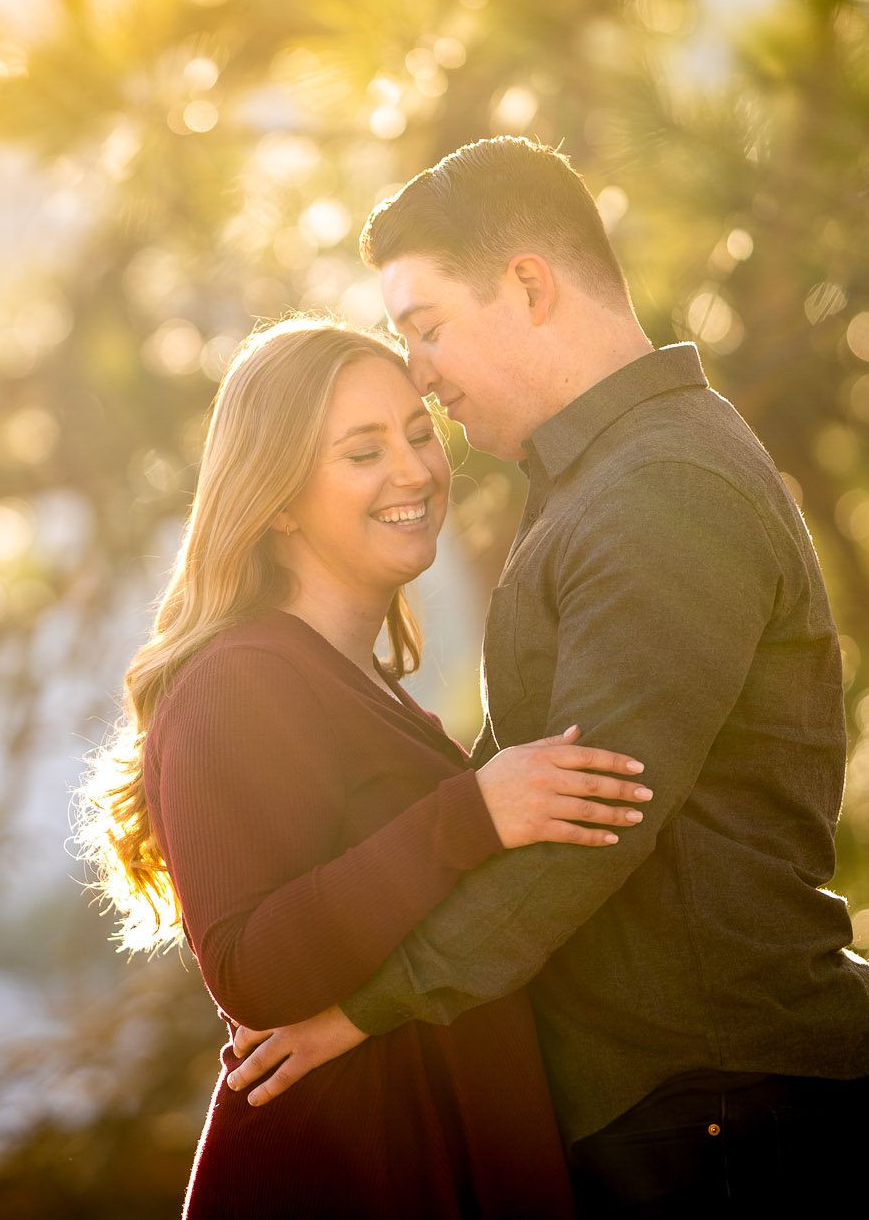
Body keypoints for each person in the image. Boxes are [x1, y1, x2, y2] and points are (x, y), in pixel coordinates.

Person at [224, 139, 869, 1218]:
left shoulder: (662, 490)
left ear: (529, 286)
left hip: (720, 1110)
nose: (422, 371)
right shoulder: (607, 480)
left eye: (427, 326)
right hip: (687, 1107)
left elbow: (587, 828)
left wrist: (360, 1011)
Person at [75, 316, 658, 1219]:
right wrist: (473, 816)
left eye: (419, 434)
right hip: (346, 1175)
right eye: (362, 452)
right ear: (277, 498)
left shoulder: (367, 689)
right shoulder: (236, 681)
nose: (415, 471)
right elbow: (253, 968)